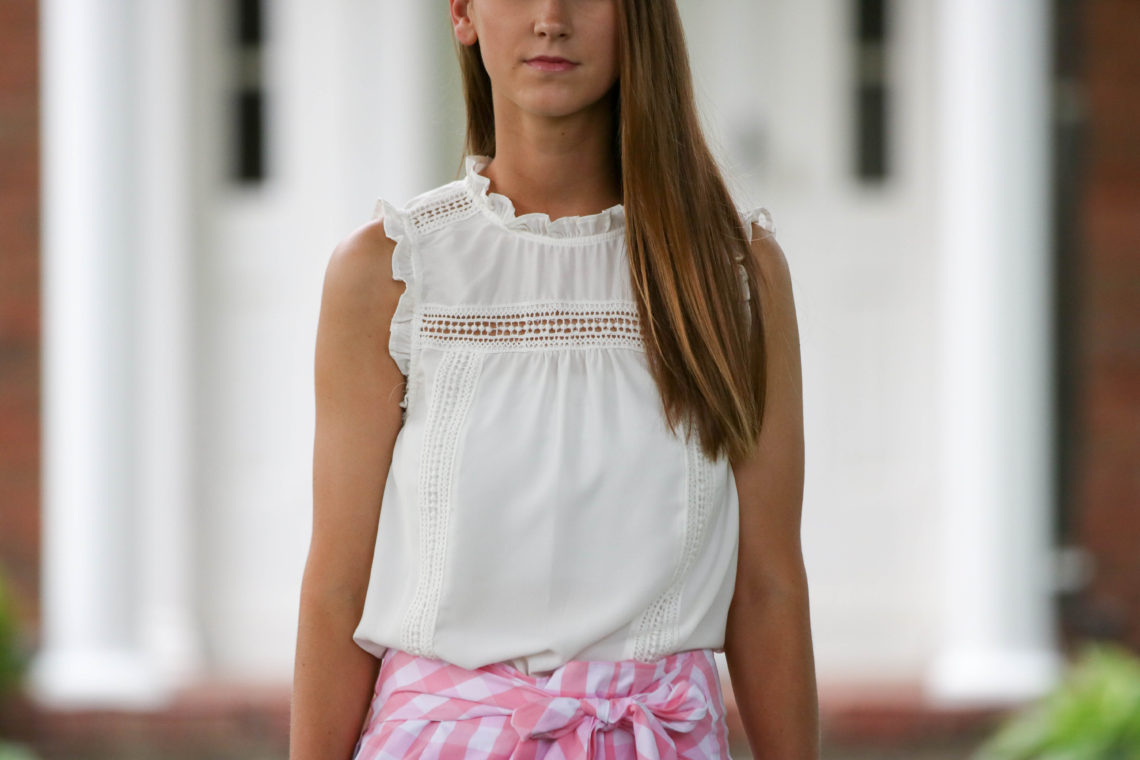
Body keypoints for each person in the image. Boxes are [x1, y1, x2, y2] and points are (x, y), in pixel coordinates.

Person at [290, 0, 818, 757]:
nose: (551, 16)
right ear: (464, 13)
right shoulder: (394, 272)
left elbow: (769, 590)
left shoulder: (732, 277)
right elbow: (336, 588)